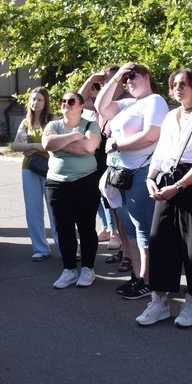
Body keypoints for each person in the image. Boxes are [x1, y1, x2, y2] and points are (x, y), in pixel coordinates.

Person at [136, 69, 192, 328]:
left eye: (184, 84)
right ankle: (159, 300)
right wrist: (151, 177)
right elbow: (161, 152)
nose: (179, 88)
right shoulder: (172, 116)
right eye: (174, 85)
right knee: (160, 239)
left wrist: (179, 187)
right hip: (166, 178)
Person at [95, 63, 168, 299]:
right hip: (122, 173)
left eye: (132, 76)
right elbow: (100, 106)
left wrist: (117, 144)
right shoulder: (128, 104)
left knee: (143, 230)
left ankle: (149, 280)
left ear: (146, 76)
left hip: (142, 172)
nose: (129, 82)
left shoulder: (155, 101)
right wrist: (116, 76)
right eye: (126, 79)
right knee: (132, 232)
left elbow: (150, 135)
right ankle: (138, 277)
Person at [43, 92, 102, 289]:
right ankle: (69, 269)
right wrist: (75, 137)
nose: (65, 104)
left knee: (86, 227)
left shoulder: (90, 125)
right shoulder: (53, 125)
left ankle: (87, 269)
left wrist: (60, 144)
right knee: (63, 228)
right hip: (56, 184)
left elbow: (88, 148)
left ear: (81, 105)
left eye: (71, 101)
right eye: (62, 101)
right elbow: (47, 144)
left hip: (85, 182)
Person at [79, 65, 126, 252]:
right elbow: (79, 100)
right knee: (106, 196)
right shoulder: (101, 103)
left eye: (111, 79)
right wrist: (91, 79)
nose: (106, 82)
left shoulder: (128, 100)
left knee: (120, 201)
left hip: (122, 156)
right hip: (102, 155)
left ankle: (120, 239)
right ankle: (114, 232)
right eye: (104, 80)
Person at [12, 87, 58, 261]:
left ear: (46, 102)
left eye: (39, 99)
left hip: (51, 169)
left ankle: (64, 247)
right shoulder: (26, 122)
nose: (35, 103)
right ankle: (40, 248)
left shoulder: (53, 121)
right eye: (33, 99)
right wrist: (39, 147)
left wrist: (33, 147)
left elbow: (53, 145)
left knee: (55, 210)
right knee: (33, 211)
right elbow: (16, 146)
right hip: (29, 168)